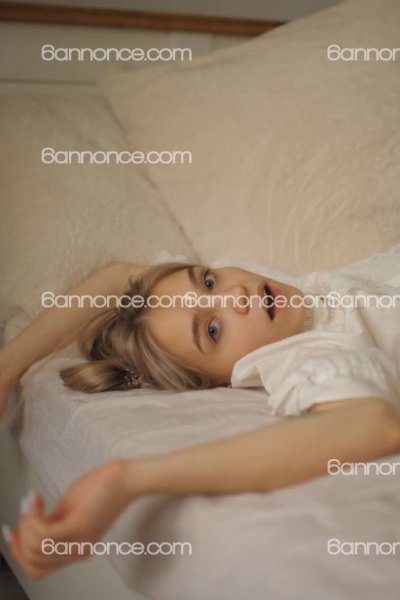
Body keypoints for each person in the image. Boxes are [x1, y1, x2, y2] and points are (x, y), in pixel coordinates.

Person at [1, 254, 400, 579]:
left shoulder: (272, 300)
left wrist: (6, 368)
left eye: (208, 281)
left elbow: (117, 278)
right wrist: (126, 479)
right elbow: (368, 425)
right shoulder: (299, 356)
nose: (236, 295)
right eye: (211, 330)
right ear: (218, 381)